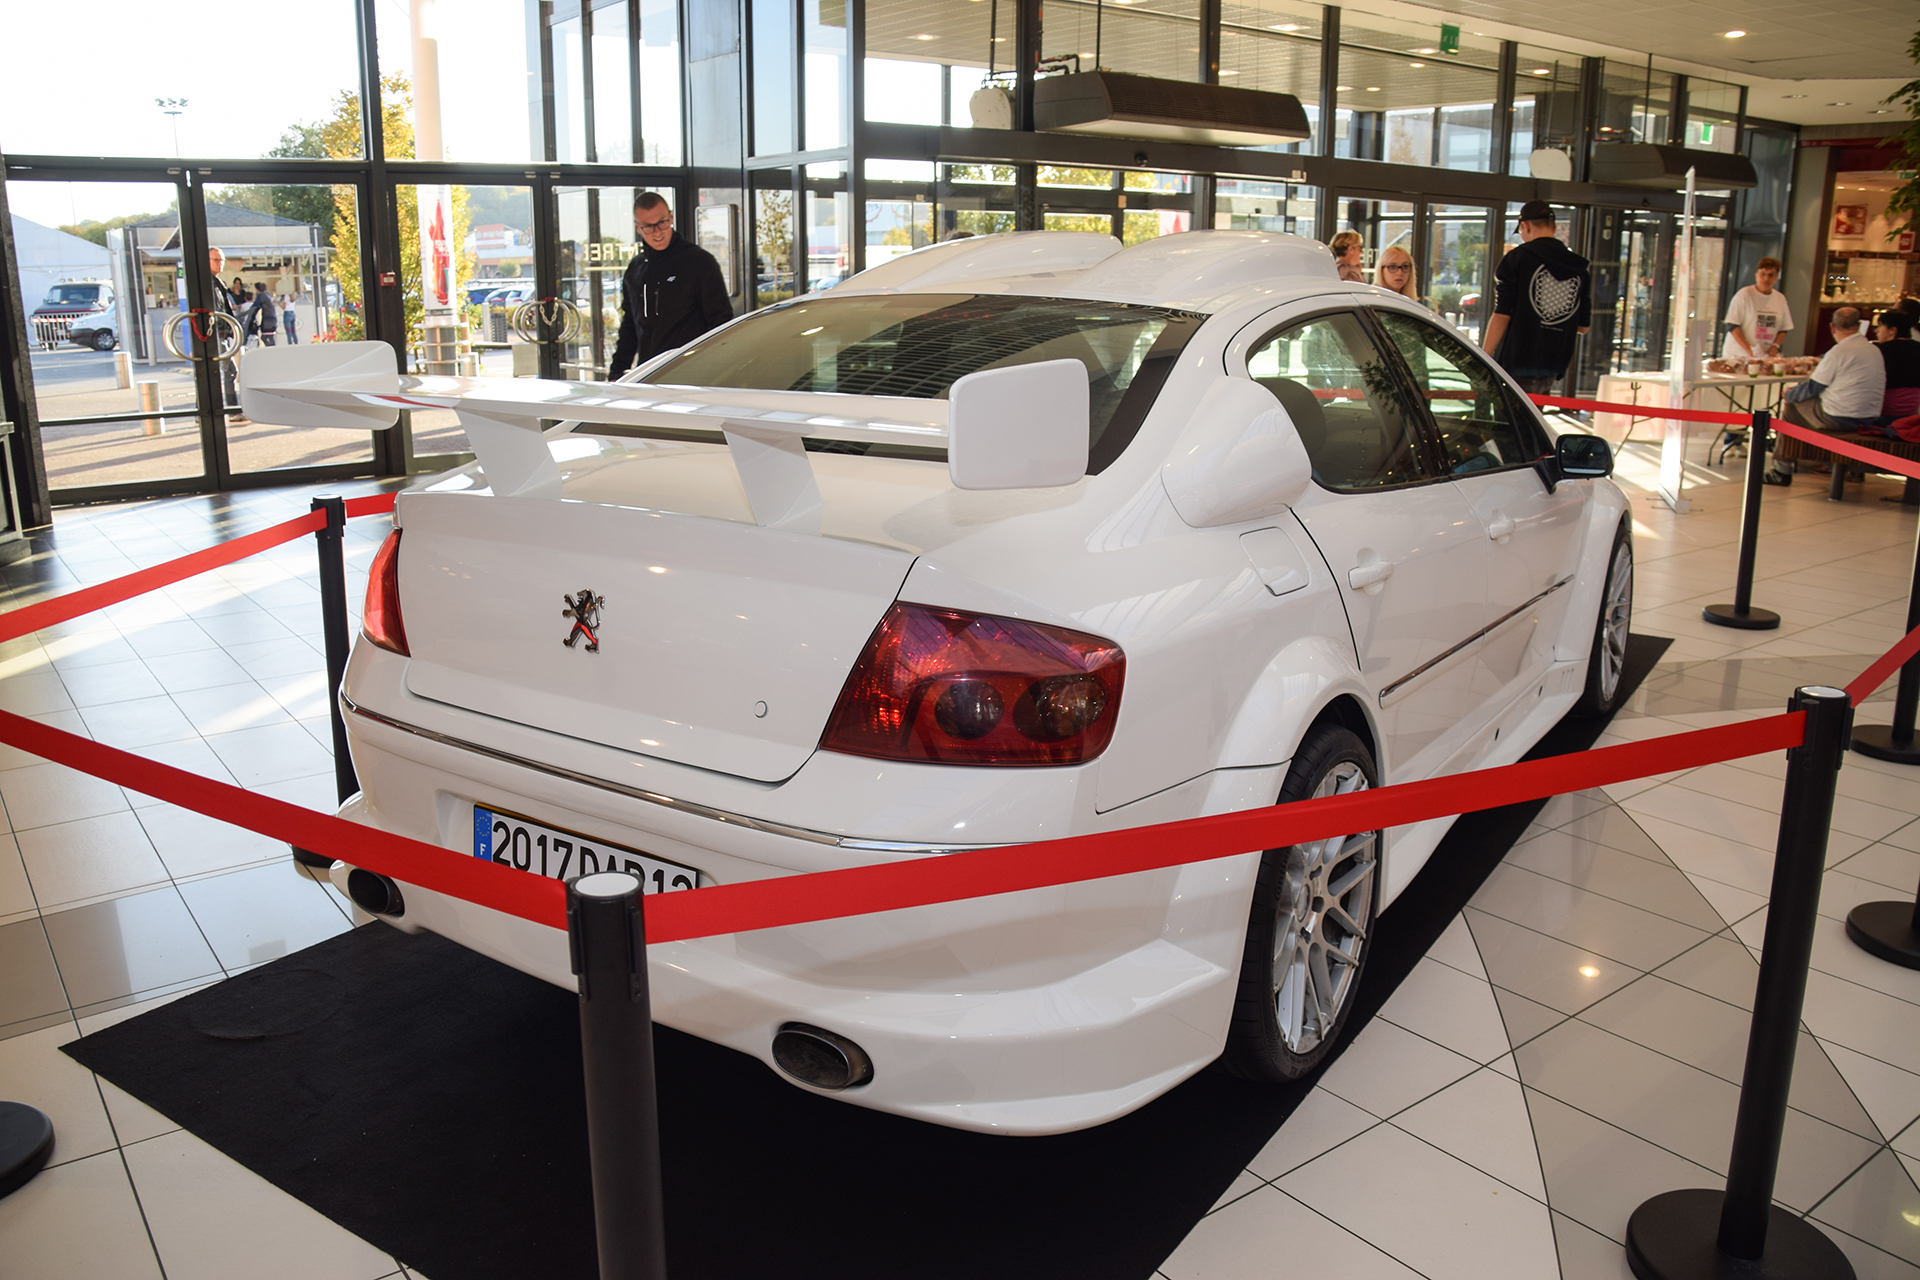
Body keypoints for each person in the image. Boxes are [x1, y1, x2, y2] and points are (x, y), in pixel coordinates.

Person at [606, 192, 733, 380]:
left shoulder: (700, 263)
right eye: (649, 227)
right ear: (637, 227)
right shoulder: (636, 269)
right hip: (649, 375)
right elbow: (631, 325)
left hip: (695, 376)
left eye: (662, 223)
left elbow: (721, 324)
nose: (657, 232)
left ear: (671, 217)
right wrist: (617, 371)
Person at [1763, 305, 1886, 485]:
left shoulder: (1839, 352)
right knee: (1803, 404)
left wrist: (1789, 394)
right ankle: (1836, 465)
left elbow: (1813, 387)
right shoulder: (1874, 350)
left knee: (1792, 408)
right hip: (1868, 417)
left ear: (1832, 327)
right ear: (1859, 325)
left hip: (1839, 417)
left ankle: (1782, 470)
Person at [1481, 200, 1590, 394]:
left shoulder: (1517, 258)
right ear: (1554, 228)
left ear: (1525, 226)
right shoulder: (1579, 267)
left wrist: (1484, 356)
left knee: (1510, 420)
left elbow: (1503, 313)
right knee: (1533, 419)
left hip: (1516, 359)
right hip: (1553, 361)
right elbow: (1583, 327)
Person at [1722, 256, 1792, 363]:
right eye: (1762, 274)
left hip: (1763, 357)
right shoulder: (1744, 294)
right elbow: (1732, 324)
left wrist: (1775, 346)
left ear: (1776, 277)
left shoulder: (1780, 299)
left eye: (1770, 275)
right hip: (1738, 355)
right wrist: (1749, 350)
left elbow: (1784, 328)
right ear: (1756, 275)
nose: (1766, 279)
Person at [204, 249, 244, 421]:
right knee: (228, 370)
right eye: (216, 260)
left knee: (216, 372)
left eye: (222, 260)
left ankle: (205, 410)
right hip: (211, 335)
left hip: (221, 333)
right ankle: (233, 409)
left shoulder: (218, 283)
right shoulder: (205, 284)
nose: (220, 263)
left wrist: (234, 330)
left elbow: (226, 311)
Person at [1873, 309, 1920, 423]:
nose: (1876, 330)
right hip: (1913, 411)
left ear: (1892, 331)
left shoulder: (1881, 350)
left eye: (1880, 326)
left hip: (1885, 412)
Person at [247, 282, 278, 347]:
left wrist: (249, 315)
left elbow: (255, 306)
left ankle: (271, 350)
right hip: (272, 319)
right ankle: (272, 349)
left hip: (267, 320)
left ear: (257, 289)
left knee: (265, 337)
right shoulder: (267, 295)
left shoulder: (261, 295)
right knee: (269, 337)